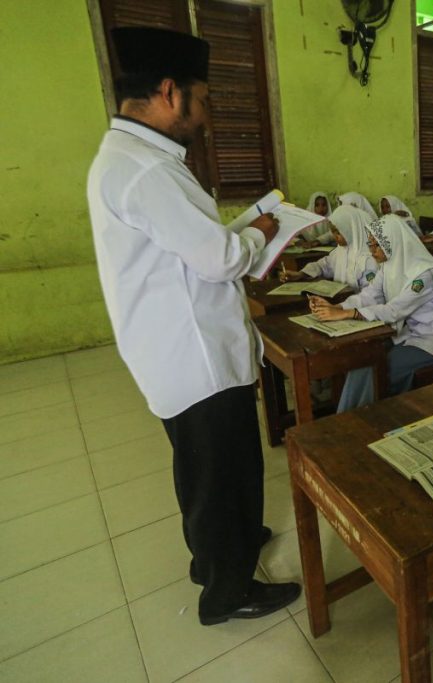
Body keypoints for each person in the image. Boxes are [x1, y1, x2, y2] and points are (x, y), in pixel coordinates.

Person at [87, 26, 299, 625]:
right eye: (202, 99)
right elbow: (219, 258)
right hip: (196, 358)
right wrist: (260, 231)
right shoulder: (146, 172)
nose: (204, 115)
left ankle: (216, 555)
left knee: (205, 469)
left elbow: (192, 246)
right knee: (216, 470)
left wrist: (243, 225)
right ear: (168, 91)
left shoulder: (131, 159)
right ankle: (227, 592)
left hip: (179, 352)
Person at [309, 215, 433, 411]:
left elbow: (394, 311)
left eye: (377, 245)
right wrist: (337, 308)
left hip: (427, 342)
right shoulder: (388, 265)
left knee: (377, 370)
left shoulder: (423, 274)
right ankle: (349, 417)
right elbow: (368, 295)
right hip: (401, 334)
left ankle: (369, 418)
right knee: (361, 361)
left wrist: (349, 314)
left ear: (392, 242)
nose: (372, 250)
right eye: (370, 244)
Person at [279, 205, 378, 289]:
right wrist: (301, 274)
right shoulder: (341, 251)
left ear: (352, 230)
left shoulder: (368, 260)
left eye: (338, 232)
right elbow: (324, 265)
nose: (335, 237)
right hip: (341, 304)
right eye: (333, 232)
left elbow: (370, 296)